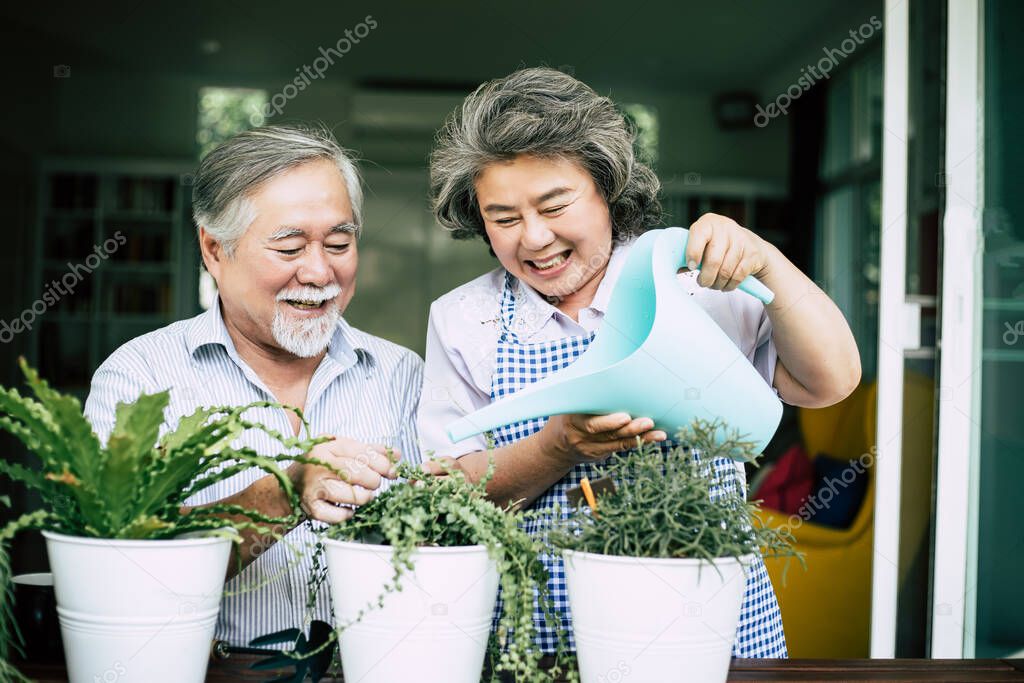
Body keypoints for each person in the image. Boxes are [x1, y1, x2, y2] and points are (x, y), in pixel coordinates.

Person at [418, 67, 861, 657]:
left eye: (556, 205)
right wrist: (557, 447)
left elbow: (829, 382)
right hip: (545, 640)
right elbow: (445, 493)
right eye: (503, 218)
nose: (533, 238)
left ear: (607, 187)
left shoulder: (696, 281)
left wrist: (767, 262)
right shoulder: (461, 319)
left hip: (706, 626)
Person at [84, 124, 423, 647]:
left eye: (339, 242)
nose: (318, 272)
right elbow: (116, 574)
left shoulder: (403, 376)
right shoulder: (141, 379)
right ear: (214, 250)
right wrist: (284, 490)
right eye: (289, 247)